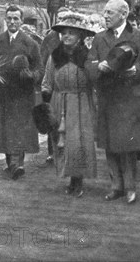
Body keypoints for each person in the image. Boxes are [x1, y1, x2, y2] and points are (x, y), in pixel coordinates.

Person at [86, 0, 140, 204]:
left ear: (123, 15)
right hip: (108, 97)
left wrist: (137, 69)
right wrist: (97, 67)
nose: (105, 16)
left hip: (130, 97)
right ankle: (116, 186)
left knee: (128, 145)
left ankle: (130, 187)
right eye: (105, 12)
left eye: (109, 12)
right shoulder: (99, 38)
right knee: (109, 144)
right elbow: (89, 63)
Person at [0, 5, 42, 180]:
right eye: (9, 18)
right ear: (4, 20)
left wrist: (30, 75)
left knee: (19, 129)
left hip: (22, 94)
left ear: (21, 21)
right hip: (2, 94)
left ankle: (17, 163)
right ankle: (12, 163)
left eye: (16, 18)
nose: (12, 22)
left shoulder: (30, 44)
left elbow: (40, 69)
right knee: (5, 130)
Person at [41, 12, 97, 197]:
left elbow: (94, 81)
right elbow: (47, 81)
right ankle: (69, 176)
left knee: (78, 143)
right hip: (59, 102)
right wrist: (46, 101)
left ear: (80, 36)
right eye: (64, 32)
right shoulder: (55, 56)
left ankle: (77, 180)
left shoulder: (87, 57)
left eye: (71, 33)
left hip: (80, 103)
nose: (66, 36)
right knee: (61, 143)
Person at [40, 6, 71, 163]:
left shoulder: (73, 37)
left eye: (65, 18)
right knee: (53, 119)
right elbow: (44, 58)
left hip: (69, 85)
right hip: (53, 83)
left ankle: (67, 150)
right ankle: (52, 151)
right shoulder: (50, 37)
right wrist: (45, 85)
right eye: (60, 19)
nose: (62, 21)